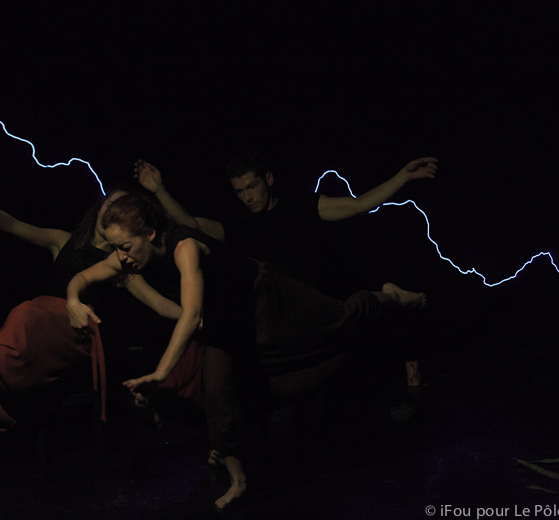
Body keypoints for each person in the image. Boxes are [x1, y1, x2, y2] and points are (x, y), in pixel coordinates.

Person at [66, 192, 426, 511]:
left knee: (340, 320)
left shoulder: (185, 247)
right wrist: (72, 300)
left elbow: (191, 315)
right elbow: (82, 278)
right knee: (220, 394)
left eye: (125, 247)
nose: (120, 257)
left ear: (150, 234)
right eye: (115, 248)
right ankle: (238, 480)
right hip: (228, 325)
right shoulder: (127, 257)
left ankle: (390, 297)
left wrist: (160, 372)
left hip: (266, 300)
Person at [134, 154, 437, 387]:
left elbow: (358, 205)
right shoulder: (236, 223)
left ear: (268, 179)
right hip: (272, 314)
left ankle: (391, 297)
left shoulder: (300, 206)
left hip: (309, 303)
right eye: (239, 191)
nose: (247, 196)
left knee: (353, 311)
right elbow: (190, 224)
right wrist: (159, 190)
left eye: (252, 187)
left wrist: (402, 177)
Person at [0, 185, 184, 455]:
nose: (112, 212)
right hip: (35, 327)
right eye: (109, 205)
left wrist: (194, 316)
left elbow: (159, 303)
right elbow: (14, 226)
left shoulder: (122, 263)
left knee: (25, 314)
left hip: (74, 333)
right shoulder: (63, 240)